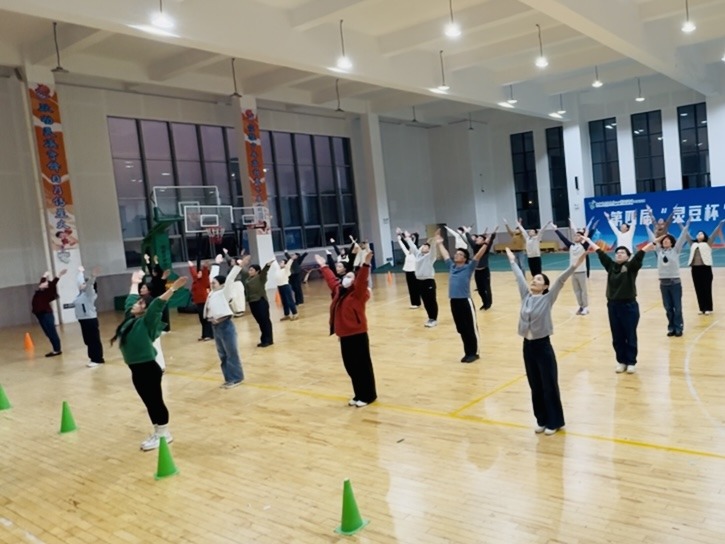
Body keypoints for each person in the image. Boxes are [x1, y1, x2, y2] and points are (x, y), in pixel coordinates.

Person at [505, 247, 586, 435]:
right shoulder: (526, 296)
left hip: (543, 346)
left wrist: (574, 266)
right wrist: (512, 260)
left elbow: (561, 280)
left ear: (545, 287)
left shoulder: (548, 298)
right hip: (527, 346)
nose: (534, 280)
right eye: (534, 279)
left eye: (539, 280)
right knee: (535, 385)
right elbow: (519, 276)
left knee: (549, 385)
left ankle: (554, 421)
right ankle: (541, 419)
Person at [110, 270, 187, 451]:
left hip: (148, 369)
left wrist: (173, 289)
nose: (136, 304)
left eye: (140, 303)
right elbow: (130, 300)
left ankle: (164, 434)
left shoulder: (147, 322)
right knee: (148, 402)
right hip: (136, 370)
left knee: (155, 401)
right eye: (138, 302)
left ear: (145, 309)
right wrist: (134, 283)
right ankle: (158, 432)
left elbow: (157, 306)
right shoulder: (130, 320)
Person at [315, 251, 377, 407]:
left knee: (362, 366)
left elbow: (362, 280)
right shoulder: (339, 290)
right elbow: (331, 279)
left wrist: (366, 265)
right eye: (346, 276)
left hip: (357, 334)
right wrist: (323, 266)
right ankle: (358, 394)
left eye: (351, 277)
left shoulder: (358, 293)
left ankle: (368, 395)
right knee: (351, 366)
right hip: (344, 335)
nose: (347, 278)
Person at [586, 236, 656, 374]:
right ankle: (621, 361)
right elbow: (600, 252)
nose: (619, 254)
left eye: (622, 252)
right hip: (612, 306)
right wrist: (588, 240)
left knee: (630, 334)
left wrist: (654, 242)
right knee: (617, 335)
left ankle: (631, 362)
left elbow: (641, 253)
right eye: (617, 252)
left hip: (628, 305)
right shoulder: (611, 266)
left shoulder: (631, 266)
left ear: (628, 256)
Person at [434, 230, 493, 363]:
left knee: (470, 328)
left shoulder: (469, 267)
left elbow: (478, 256)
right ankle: (467, 352)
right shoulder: (451, 266)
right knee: (461, 328)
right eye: (456, 253)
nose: (457, 255)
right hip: (454, 302)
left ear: (465, 259)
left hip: (465, 301)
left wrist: (486, 244)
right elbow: (445, 255)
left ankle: (474, 353)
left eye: (460, 254)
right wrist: (439, 243)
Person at [204, 261, 245, 388]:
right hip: (215, 327)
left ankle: (236, 378)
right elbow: (212, 277)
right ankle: (228, 379)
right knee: (222, 355)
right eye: (211, 283)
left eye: (214, 283)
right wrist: (216, 263)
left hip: (225, 325)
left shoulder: (224, 293)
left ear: (221, 284)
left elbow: (230, 279)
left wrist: (238, 266)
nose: (211, 284)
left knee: (231, 353)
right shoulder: (212, 293)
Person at [647, 220, 689, 337]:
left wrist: (686, 226)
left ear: (671, 242)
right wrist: (647, 227)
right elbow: (653, 239)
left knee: (677, 307)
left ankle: (679, 327)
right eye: (664, 240)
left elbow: (682, 238)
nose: (665, 241)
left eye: (668, 240)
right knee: (668, 308)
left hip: (675, 282)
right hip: (663, 283)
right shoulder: (659, 251)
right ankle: (671, 327)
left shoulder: (675, 250)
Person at [680, 220, 724, 315]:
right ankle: (702, 308)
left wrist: (720, 223)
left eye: (701, 234)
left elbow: (715, 233)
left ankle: (708, 308)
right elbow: (685, 234)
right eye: (698, 234)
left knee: (707, 288)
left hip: (705, 268)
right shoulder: (693, 244)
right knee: (698, 289)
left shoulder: (708, 243)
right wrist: (680, 224)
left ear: (704, 236)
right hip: (695, 269)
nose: (699, 235)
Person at [553, 219, 591, 315]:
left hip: (581, 271)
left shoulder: (584, 246)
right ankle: (581, 306)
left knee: (583, 290)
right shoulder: (571, 246)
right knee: (577, 291)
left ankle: (586, 307)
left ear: (582, 238)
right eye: (575, 235)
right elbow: (563, 238)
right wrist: (556, 230)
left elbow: (588, 236)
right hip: (573, 272)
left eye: (578, 236)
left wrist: (587, 232)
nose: (576, 237)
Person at [32, 268, 68, 357]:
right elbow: (41, 282)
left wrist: (59, 275)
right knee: (48, 333)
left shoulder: (47, 292)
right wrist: (44, 276)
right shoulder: (40, 292)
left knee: (51, 332)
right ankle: (55, 349)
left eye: (45, 283)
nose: (42, 283)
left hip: (46, 314)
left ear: (47, 286)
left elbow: (53, 284)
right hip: (40, 315)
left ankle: (57, 350)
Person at [240, 256, 274, 347]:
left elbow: (264, 272)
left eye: (252, 270)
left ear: (257, 271)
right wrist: (242, 263)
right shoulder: (248, 279)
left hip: (260, 302)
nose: (249, 271)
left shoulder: (260, 278)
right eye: (249, 270)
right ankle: (264, 339)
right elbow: (243, 271)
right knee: (260, 321)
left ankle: (268, 340)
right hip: (252, 302)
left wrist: (267, 265)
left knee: (265, 321)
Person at [73, 265, 104, 367]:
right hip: (83, 320)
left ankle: (97, 359)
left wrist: (92, 276)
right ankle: (93, 358)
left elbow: (90, 284)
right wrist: (80, 272)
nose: (83, 284)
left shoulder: (90, 294)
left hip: (90, 319)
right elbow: (79, 282)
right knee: (88, 340)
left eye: (84, 284)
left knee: (93, 340)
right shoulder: (81, 294)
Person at [406, 233, 438, 327]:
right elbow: (412, 246)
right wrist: (407, 237)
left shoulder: (430, 257)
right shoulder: (418, 255)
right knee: (425, 302)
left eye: (426, 247)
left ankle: (433, 318)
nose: (424, 247)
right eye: (423, 246)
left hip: (428, 281)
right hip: (419, 282)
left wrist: (433, 242)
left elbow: (433, 251)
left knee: (431, 301)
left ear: (429, 250)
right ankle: (430, 318)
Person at [466, 227, 497, 311]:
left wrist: (493, 234)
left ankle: (489, 304)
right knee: (480, 290)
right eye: (477, 238)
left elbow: (490, 241)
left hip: (484, 271)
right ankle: (484, 303)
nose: (477, 239)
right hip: (477, 271)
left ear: (484, 241)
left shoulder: (485, 248)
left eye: (480, 238)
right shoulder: (475, 247)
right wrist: (467, 232)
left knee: (487, 288)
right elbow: (470, 240)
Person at [145, 254, 171, 332]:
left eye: (154, 271)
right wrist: (147, 260)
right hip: (155, 298)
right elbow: (150, 269)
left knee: (164, 314)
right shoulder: (154, 278)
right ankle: (158, 327)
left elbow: (159, 270)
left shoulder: (161, 279)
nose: (152, 272)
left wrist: (156, 262)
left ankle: (166, 329)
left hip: (162, 298)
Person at [188, 260, 213, 341]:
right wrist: (191, 266)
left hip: (204, 302)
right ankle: (204, 335)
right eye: (198, 273)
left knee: (206, 319)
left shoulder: (204, 280)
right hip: (198, 303)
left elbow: (205, 273)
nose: (198, 274)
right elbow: (193, 274)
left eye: (200, 273)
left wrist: (205, 267)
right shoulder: (196, 280)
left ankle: (209, 335)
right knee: (202, 319)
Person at [396, 228, 420, 309]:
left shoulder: (416, 253)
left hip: (414, 271)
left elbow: (413, 243)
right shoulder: (407, 253)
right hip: (408, 272)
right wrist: (399, 235)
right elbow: (402, 244)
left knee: (415, 287)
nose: (409, 249)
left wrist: (411, 236)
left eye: (410, 248)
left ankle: (417, 302)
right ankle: (414, 303)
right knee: (410, 288)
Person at [222, 249, 246, 317]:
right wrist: (226, 253)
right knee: (233, 298)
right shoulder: (231, 267)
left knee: (239, 297)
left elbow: (240, 260)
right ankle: (236, 311)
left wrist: (241, 255)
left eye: (233, 261)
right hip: (232, 284)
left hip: (237, 284)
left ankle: (240, 310)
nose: (231, 261)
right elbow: (229, 259)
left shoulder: (238, 267)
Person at [275, 256, 299, 321]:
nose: (280, 263)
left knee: (289, 301)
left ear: (285, 264)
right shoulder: (278, 269)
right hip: (280, 287)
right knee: (284, 301)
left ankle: (295, 314)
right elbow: (275, 263)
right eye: (280, 262)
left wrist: (291, 259)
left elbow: (288, 265)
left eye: (282, 262)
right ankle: (286, 315)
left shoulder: (286, 270)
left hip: (285, 286)